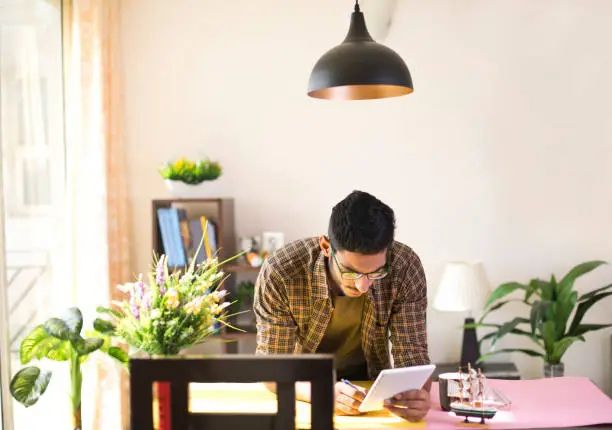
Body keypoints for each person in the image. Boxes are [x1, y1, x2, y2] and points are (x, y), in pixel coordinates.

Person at [253, 190, 432, 422]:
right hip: (302, 389)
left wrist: (417, 395)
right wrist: (322, 392)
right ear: (326, 247)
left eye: (377, 272)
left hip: (373, 393)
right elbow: (271, 369)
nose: (363, 285)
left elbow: (413, 357)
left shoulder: (405, 266)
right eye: (351, 271)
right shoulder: (282, 272)